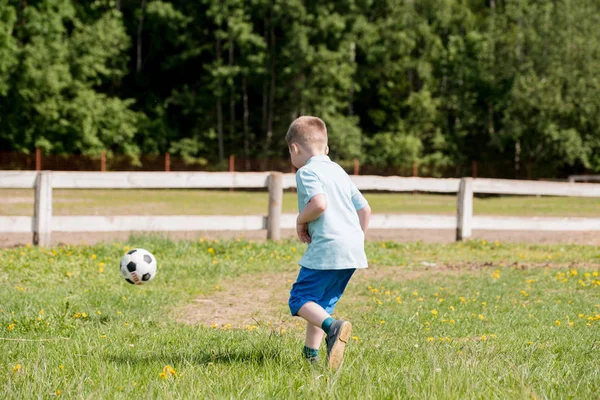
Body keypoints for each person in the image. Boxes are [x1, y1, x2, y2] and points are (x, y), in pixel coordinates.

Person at [286, 116, 371, 369]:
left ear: (295, 148)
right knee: (320, 304)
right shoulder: (338, 171)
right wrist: (355, 240)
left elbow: (319, 204)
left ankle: (333, 328)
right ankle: (311, 356)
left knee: (300, 299)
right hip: (352, 251)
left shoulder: (307, 171)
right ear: (326, 148)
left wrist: (300, 219)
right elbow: (365, 209)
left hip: (327, 248)